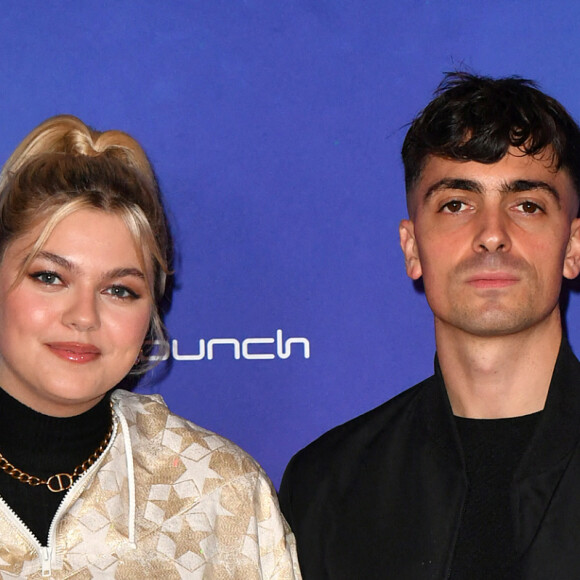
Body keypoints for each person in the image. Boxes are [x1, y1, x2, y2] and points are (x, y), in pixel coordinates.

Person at [279, 72, 580, 579]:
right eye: (456, 204)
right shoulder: (328, 484)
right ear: (411, 247)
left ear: (573, 246)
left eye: (526, 205)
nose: (491, 235)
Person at [0, 115, 300, 579]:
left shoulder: (221, 491)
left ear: (151, 311)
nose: (84, 316)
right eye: (50, 277)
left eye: (119, 289)